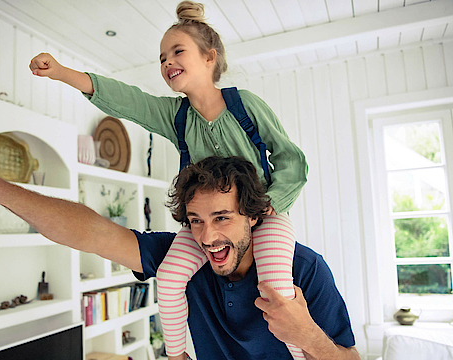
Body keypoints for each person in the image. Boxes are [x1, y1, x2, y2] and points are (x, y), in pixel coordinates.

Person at [29, 2, 307, 359]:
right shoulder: (175, 116)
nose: (167, 62)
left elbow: (291, 158)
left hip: (263, 216)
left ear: (210, 57)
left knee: (277, 289)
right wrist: (63, 72)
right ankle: (176, 356)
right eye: (162, 58)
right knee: (171, 277)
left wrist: (272, 202)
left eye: (177, 52)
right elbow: (128, 101)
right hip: (205, 224)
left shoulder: (244, 105)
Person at [0, 154, 359, 360]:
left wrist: (306, 335)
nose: (208, 237)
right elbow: (89, 232)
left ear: (253, 216)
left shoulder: (304, 270)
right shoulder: (186, 257)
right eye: (195, 220)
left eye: (222, 218)